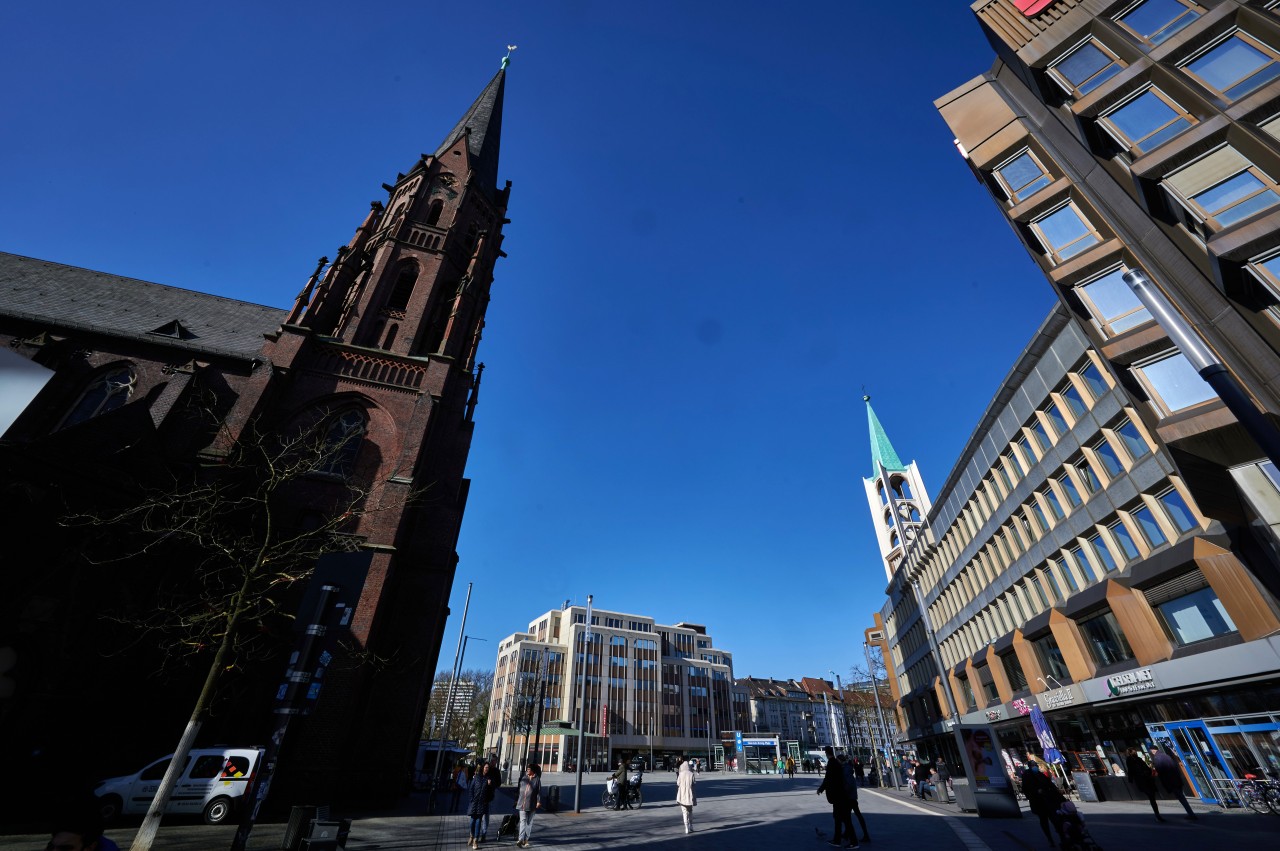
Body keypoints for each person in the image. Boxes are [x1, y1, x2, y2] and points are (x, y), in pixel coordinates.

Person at [817, 746, 856, 848]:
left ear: (826, 753)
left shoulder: (832, 763)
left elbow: (828, 778)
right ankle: (837, 840)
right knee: (838, 818)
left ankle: (853, 842)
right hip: (839, 795)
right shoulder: (835, 763)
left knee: (844, 819)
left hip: (838, 795)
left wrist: (821, 789)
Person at [1020, 761, 1065, 847]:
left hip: (1048, 801)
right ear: (1029, 767)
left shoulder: (1040, 774)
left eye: (1035, 765)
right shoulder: (1026, 776)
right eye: (1033, 766)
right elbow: (1026, 789)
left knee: (1055, 819)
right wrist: (1035, 793)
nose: (1035, 767)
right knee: (1044, 821)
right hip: (1038, 803)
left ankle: (1062, 837)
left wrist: (1059, 796)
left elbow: (1050, 785)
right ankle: (1050, 838)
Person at [1150, 746, 1197, 820]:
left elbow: (1160, 771)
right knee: (1182, 797)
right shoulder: (1166, 756)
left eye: (1151, 750)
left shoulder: (1157, 758)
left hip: (1170, 780)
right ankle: (1191, 813)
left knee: (1181, 798)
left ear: (1152, 750)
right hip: (1176, 779)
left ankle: (1191, 814)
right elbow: (1174, 766)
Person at [840, 754, 870, 846]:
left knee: (846, 817)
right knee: (852, 815)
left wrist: (844, 793)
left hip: (849, 797)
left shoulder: (845, 770)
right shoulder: (848, 769)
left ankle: (854, 837)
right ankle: (848, 834)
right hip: (852, 796)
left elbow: (848, 784)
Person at [1125, 747, 1160, 820]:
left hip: (1142, 780)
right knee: (1152, 797)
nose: (1136, 753)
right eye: (1135, 752)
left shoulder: (1131, 760)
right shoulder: (1137, 760)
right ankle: (1157, 814)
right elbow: (1146, 769)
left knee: (1151, 797)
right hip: (1146, 780)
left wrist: (1130, 780)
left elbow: (1130, 770)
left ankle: (1157, 815)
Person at [515, 763, 541, 848]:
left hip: (532, 804)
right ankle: (520, 839)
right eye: (527, 769)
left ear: (533, 770)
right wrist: (517, 799)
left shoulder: (537, 779)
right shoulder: (524, 778)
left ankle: (526, 839)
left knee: (529, 823)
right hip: (522, 803)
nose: (527, 770)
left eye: (529, 769)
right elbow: (519, 790)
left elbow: (538, 792)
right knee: (523, 821)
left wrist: (538, 801)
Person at [466, 765, 489, 849]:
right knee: (472, 821)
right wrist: (472, 799)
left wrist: (490, 785)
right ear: (482, 768)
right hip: (474, 802)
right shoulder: (476, 778)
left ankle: (475, 840)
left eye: (488, 768)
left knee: (478, 822)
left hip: (482, 803)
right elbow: (471, 789)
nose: (487, 769)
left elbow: (491, 792)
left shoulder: (488, 779)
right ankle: (471, 835)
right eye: (485, 767)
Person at [676, 756, 698, 833]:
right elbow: (694, 783)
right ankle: (691, 825)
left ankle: (686, 827)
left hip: (682, 795)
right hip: (690, 794)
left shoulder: (680, 774)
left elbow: (678, 783)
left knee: (684, 812)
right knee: (690, 811)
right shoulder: (691, 774)